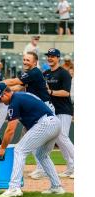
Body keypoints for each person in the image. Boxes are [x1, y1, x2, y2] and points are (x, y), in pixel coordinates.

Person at [0, 83, 65, 197]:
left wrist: (2, 148)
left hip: (45, 123)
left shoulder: (14, 101)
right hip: (54, 123)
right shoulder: (21, 96)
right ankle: (57, 187)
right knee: (42, 155)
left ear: (5, 93)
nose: (0, 101)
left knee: (19, 150)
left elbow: (10, 130)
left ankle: (14, 188)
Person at [2, 51, 55, 179]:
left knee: (54, 140)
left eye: (28, 60)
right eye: (24, 59)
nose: (25, 62)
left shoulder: (34, 72)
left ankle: (43, 169)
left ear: (35, 62)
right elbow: (17, 88)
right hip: (38, 110)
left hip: (44, 109)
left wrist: (1, 84)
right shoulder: (29, 74)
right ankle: (42, 169)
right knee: (30, 138)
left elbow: (14, 81)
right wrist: (3, 90)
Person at [44, 48, 74, 178]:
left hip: (64, 110)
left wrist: (50, 92)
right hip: (52, 110)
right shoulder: (45, 73)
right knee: (59, 139)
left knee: (62, 137)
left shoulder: (64, 73)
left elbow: (66, 93)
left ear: (58, 58)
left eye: (53, 56)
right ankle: (70, 166)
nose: (50, 58)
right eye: (48, 56)